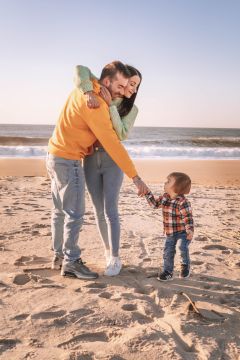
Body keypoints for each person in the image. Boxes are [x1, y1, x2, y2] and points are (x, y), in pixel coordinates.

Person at [46, 60, 148, 281]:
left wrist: (97, 96)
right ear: (107, 81)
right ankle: (70, 261)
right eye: (122, 85)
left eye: (131, 86)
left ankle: (62, 257)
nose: (127, 89)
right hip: (75, 159)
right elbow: (113, 142)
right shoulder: (94, 100)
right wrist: (135, 177)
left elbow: (119, 136)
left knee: (64, 211)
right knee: (75, 213)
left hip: (55, 154)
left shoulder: (94, 91)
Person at [74, 64, 141, 276]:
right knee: (97, 210)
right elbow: (81, 70)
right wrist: (87, 91)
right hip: (91, 158)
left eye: (136, 85)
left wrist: (111, 105)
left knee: (111, 210)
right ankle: (106, 250)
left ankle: (115, 257)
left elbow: (121, 134)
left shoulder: (132, 109)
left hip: (113, 160)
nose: (131, 89)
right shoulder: (101, 88)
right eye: (130, 83)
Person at [145, 172, 194, 281]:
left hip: (183, 232)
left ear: (176, 187)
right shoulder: (165, 197)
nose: (165, 183)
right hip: (170, 233)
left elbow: (188, 217)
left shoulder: (183, 202)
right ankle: (168, 272)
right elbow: (154, 204)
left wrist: (190, 230)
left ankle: (185, 265)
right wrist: (147, 193)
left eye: (168, 181)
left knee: (181, 247)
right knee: (168, 252)